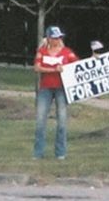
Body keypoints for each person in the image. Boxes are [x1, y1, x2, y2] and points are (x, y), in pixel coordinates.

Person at [33, 26, 78, 160]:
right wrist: (54, 70)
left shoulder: (67, 52)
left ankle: (60, 152)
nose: (57, 40)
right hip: (45, 88)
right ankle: (38, 152)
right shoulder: (42, 52)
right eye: (54, 38)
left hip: (61, 88)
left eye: (59, 38)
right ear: (48, 39)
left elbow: (78, 65)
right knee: (40, 120)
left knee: (62, 120)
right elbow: (37, 67)